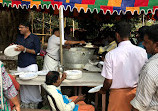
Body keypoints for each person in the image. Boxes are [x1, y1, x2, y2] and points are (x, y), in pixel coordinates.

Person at [99, 22, 148, 111]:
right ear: (130, 34)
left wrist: (103, 89)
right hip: (137, 94)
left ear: (117, 35)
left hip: (118, 96)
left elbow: (108, 81)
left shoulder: (111, 55)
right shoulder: (142, 52)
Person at [15, 21, 42, 108]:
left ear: (27, 28)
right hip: (20, 64)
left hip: (31, 64)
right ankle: (25, 102)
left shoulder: (34, 38)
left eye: (21, 27)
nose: (19, 29)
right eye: (19, 27)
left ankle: (36, 103)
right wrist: (13, 47)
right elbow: (17, 47)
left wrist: (25, 49)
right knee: (23, 86)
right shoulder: (19, 37)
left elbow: (37, 51)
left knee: (33, 85)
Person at [131, 24, 158, 111]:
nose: (143, 44)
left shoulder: (151, 68)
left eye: (146, 42)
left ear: (156, 45)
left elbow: (140, 104)